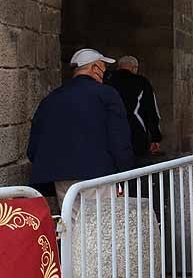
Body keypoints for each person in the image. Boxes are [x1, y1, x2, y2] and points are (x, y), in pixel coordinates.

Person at [28, 48, 133, 208]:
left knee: (71, 223)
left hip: (61, 175)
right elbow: (118, 138)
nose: (104, 73)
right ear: (95, 68)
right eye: (103, 68)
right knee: (98, 225)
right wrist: (126, 170)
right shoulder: (106, 94)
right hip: (98, 173)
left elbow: (34, 142)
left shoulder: (52, 98)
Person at [106, 55, 163, 162]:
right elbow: (151, 110)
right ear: (134, 68)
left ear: (119, 67)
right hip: (136, 132)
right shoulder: (142, 82)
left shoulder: (107, 80)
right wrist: (155, 137)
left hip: (110, 131)